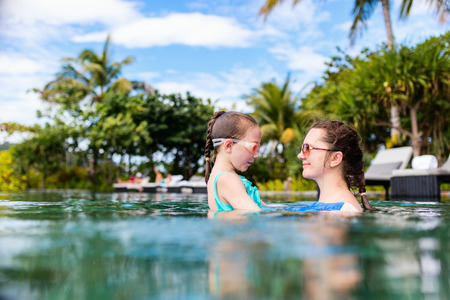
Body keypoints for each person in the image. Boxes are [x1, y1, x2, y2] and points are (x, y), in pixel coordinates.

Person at [288, 120, 375, 212]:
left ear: (335, 159)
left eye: (307, 148)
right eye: (302, 148)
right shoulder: (333, 207)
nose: (300, 155)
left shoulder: (343, 210)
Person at [204, 111, 280, 213]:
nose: (257, 155)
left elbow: (264, 206)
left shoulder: (217, 178)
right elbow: (255, 213)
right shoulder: (227, 180)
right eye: (253, 147)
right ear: (229, 146)